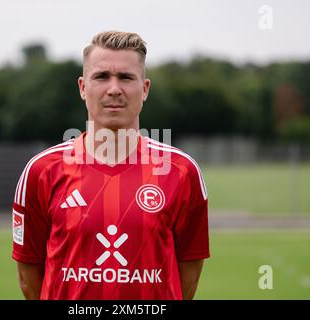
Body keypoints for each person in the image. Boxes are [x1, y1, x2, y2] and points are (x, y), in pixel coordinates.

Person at [12, 31, 210, 300]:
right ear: (83, 87)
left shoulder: (182, 171)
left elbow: (190, 271)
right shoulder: (41, 171)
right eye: (102, 76)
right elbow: (28, 276)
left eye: (126, 77)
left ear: (145, 88)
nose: (114, 89)